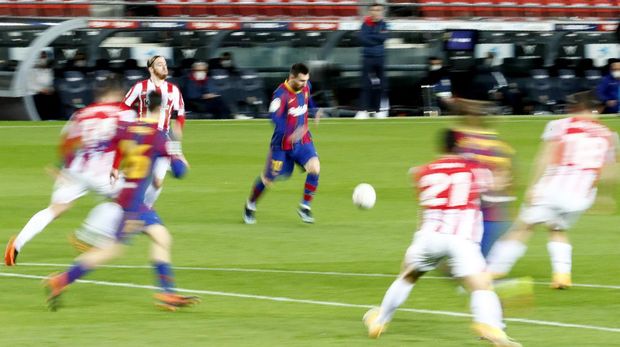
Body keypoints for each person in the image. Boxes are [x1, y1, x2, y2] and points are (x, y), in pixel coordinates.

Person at [363, 129, 521, 347]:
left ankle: (379, 321)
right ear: (461, 146)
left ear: (441, 148)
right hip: (462, 239)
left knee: (407, 277)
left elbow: (424, 204)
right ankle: (491, 328)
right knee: (481, 287)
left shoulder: (423, 172)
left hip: (428, 237)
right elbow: (494, 191)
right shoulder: (476, 170)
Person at [44, 92, 199, 311]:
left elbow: (100, 148)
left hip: (127, 193)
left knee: (162, 237)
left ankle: (167, 294)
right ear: (162, 109)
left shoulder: (128, 129)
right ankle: (61, 280)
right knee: (112, 250)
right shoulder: (161, 136)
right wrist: (177, 153)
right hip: (134, 202)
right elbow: (180, 172)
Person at [486, 91, 618, 289]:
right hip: (581, 195)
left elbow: (545, 157)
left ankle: (494, 269)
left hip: (554, 187)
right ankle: (562, 275)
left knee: (523, 227)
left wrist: (532, 186)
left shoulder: (560, 125)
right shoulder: (609, 135)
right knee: (557, 228)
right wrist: (605, 195)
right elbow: (612, 169)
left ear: (574, 108)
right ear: (596, 109)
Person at [4, 75, 136, 266]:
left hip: (74, 169)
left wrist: (60, 167)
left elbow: (68, 142)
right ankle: (88, 236)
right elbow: (130, 142)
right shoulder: (124, 112)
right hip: (103, 171)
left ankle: (17, 244)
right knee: (129, 200)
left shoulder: (81, 114)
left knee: (56, 208)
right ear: (118, 93)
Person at [243, 63, 321, 224]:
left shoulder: (306, 87)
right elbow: (273, 118)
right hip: (282, 145)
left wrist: (315, 111)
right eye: (301, 80)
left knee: (315, 167)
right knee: (268, 179)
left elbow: (308, 98)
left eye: (306, 80)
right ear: (292, 77)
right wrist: (290, 132)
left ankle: (305, 207)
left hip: (303, 140)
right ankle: (250, 205)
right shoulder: (280, 95)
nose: (304, 83)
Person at [122, 55, 187, 208]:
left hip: (163, 138)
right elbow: (124, 107)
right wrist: (131, 125)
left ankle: (146, 208)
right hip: (141, 137)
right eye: (159, 64)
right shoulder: (140, 87)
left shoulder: (174, 90)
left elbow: (180, 117)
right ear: (150, 69)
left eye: (165, 64)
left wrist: (176, 148)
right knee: (136, 175)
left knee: (157, 182)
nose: (164, 67)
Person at [453, 115, 515, 257]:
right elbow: (506, 180)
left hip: (480, 211)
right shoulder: (502, 149)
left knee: (475, 253)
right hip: (491, 212)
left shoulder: (465, 147)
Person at [357, 3, 389, 119]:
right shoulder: (365, 24)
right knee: (365, 84)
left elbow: (383, 38)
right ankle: (363, 110)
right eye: (373, 10)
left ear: (381, 12)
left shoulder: (384, 24)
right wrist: (376, 38)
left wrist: (370, 38)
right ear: (370, 12)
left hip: (380, 58)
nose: (376, 12)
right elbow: (362, 39)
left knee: (381, 86)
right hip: (367, 57)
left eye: (378, 10)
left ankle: (378, 110)